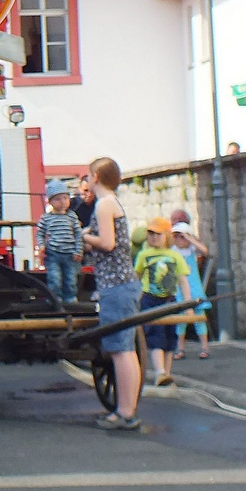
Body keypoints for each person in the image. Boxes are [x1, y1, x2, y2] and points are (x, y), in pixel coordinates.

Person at [85, 156, 142, 430]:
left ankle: (124, 412)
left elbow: (107, 243)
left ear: (96, 176)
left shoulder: (104, 204)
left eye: (87, 175)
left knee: (121, 351)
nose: (85, 180)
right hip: (122, 284)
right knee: (125, 350)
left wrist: (84, 237)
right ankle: (126, 410)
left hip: (115, 286)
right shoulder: (111, 203)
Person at [133, 218, 193, 386]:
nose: (153, 238)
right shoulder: (144, 255)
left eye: (157, 234)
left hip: (169, 300)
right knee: (155, 335)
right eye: (150, 234)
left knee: (170, 337)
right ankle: (159, 372)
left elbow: (183, 281)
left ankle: (166, 373)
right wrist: (134, 301)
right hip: (150, 299)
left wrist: (188, 305)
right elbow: (137, 278)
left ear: (166, 236)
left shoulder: (174, 256)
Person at [36, 178, 84, 307]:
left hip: (69, 254)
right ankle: (55, 297)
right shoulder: (46, 218)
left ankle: (70, 298)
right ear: (50, 201)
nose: (62, 202)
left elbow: (78, 234)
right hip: (53, 253)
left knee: (70, 278)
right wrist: (41, 246)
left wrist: (78, 250)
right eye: (58, 199)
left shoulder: (72, 216)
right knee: (54, 278)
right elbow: (40, 233)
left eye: (65, 198)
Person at [169, 213, 211, 360]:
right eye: (176, 236)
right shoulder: (173, 252)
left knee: (199, 319)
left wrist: (190, 239)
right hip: (179, 290)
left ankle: (204, 347)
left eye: (181, 236)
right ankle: (180, 348)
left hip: (195, 289)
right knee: (180, 321)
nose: (178, 240)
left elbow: (205, 251)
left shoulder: (192, 251)